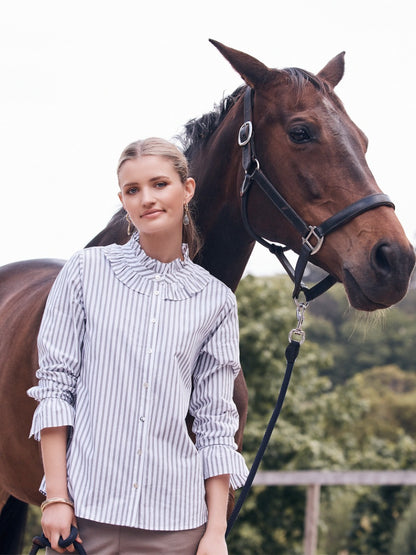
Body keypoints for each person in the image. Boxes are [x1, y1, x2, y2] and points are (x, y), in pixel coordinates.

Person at [27, 137, 249, 555]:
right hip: (86, 519)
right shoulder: (85, 271)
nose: (146, 198)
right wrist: (56, 498)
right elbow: (55, 388)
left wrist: (216, 532)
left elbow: (215, 422)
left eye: (159, 184)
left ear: (187, 190)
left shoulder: (216, 300)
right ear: (123, 201)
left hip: (178, 527)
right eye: (133, 190)